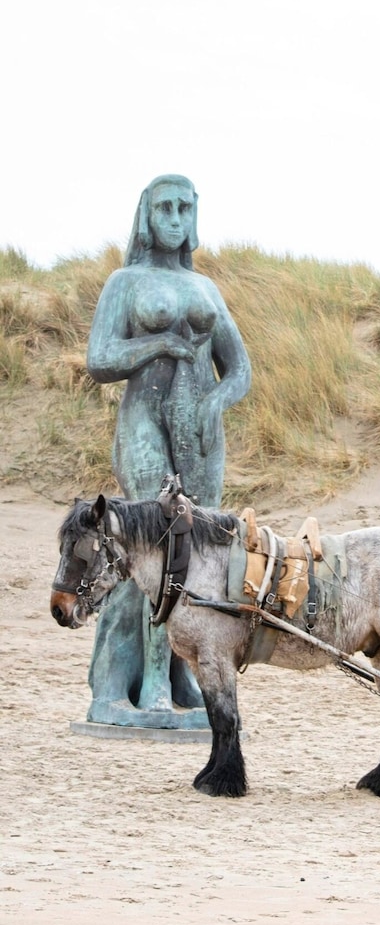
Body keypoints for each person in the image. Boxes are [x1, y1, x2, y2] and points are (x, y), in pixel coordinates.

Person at [85, 174, 252, 728]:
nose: (175, 218)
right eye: (164, 208)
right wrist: (160, 343)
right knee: (156, 539)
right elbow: (100, 359)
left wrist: (215, 404)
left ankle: (186, 676)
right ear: (146, 215)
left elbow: (240, 368)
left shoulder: (207, 288)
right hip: (144, 420)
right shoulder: (125, 281)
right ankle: (144, 685)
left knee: (198, 553)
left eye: (185, 207)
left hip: (198, 427)